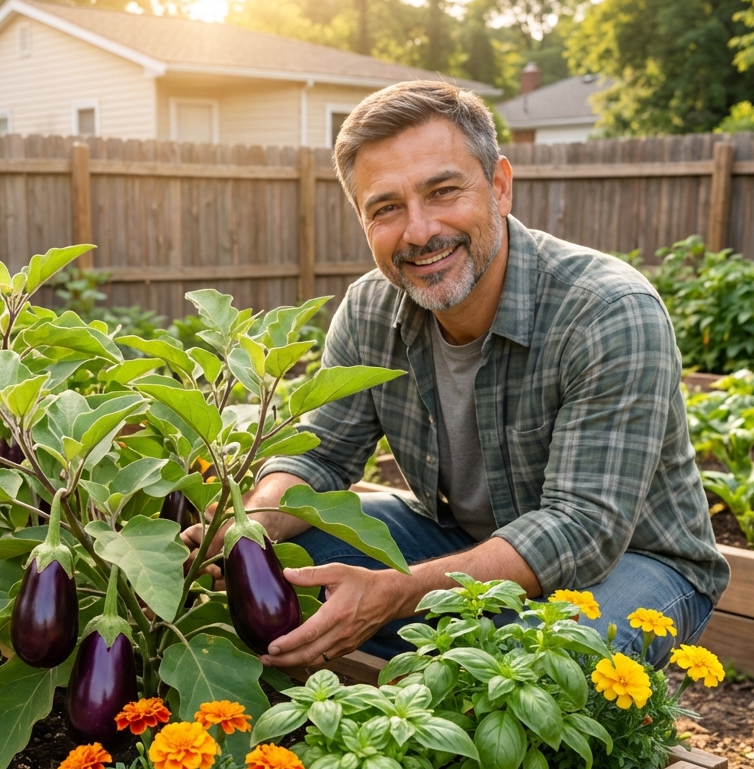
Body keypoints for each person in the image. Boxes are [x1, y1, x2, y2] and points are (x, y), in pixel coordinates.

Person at [183, 79, 729, 672]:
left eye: (443, 191)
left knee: (542, 664)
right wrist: (248, 528)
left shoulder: (607, 311)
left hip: (634, 561)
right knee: (283, 565)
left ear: (499, 186)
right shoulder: (370, 311)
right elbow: (322, 458)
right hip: (466, 542)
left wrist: (398, 593)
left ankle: (470, 666)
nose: (419, 231)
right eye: (386, 208)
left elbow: (582, 529)